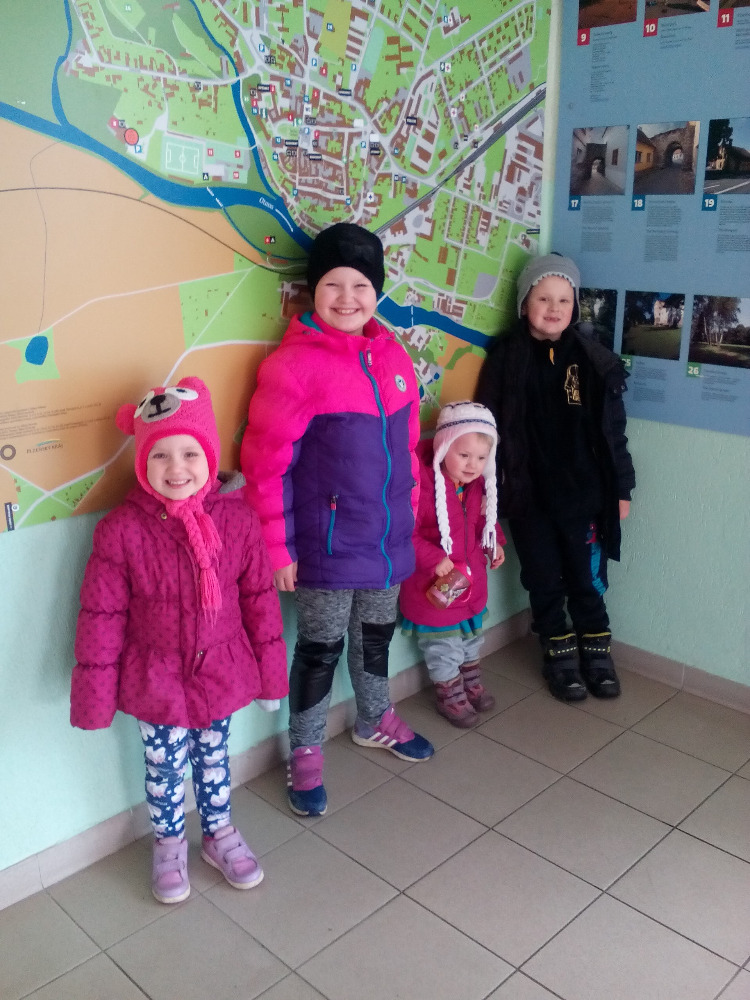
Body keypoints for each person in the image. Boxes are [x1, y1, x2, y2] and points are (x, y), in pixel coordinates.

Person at [241, 222, 434, 819]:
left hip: (386, 543)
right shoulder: (293, 367)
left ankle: (374, 719)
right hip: (324, 548)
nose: (347, 298)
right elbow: (265, 467)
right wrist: (278, 550)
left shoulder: (396, 357)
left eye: (360, 285)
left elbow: (408, 451)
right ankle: (305, 752)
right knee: (320, 649)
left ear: (377, 291)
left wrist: (412, 518)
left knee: (376, 636)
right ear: (313, 290)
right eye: (333, 284)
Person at [71, 376, 288, 904]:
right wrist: (95, 702)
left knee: (214, 759)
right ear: (142, 463)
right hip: (156, 681)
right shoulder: (121, 531)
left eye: (190, 453)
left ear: (209, 457)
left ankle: (218, 833)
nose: (177, 468)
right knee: (164, 768)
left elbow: (260, 602)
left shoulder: (237, 520)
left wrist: (270, 679)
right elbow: (101, 618)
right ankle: (168, 843)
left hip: (221, 673)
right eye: (161, 455)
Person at [475, 253, 635, 702]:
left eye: (564, 300)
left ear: (575, 306)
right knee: (543, 579)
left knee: (586, 579)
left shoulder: (590, 359)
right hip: (528, 496)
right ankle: (558, 655)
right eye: (543, 298)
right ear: (524, 303)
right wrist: (487, 489)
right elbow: (486, 427)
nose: (554, 308)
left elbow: (613, 433)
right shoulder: (506, 357)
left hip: (584, 496)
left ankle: (597, 652)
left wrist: (622, 489)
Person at [400, 402, 506, 727]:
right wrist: (433, 558)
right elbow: (403, 533)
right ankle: (449, 692)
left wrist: (494, 542)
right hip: (432, 586)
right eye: (464, 455)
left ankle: (470, 681)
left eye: (481, 458)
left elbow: (482, 520)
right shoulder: (420, 485)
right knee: (443, 646)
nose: (473, 465)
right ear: (444, 447)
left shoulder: (475, 486)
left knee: (472, 638)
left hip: (469, 583)